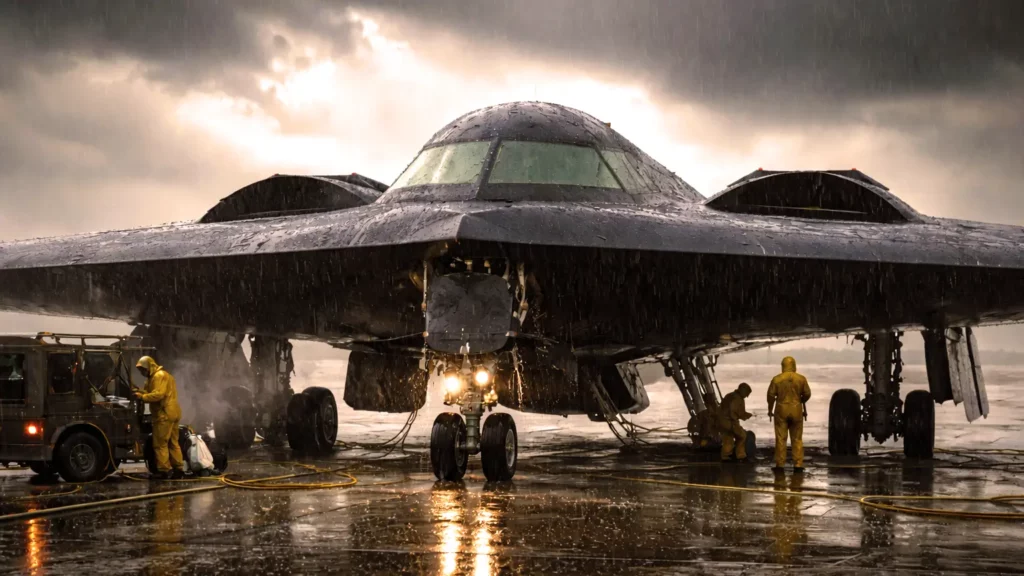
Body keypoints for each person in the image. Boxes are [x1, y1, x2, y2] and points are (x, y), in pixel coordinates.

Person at [134, 356, 185, 479]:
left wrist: (141, 397)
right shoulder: (164, 375)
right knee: (173, 442)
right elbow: (154, 392)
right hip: (173, 412)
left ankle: (164, 470)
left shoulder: (158, 376)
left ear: (150, 367)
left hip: (164, 414)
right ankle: (178, 469)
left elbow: (158, 395)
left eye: (143, 370)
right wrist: (140, 392)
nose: (142, 373)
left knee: (160, 444)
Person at [767, 356, 812, 472]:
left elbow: (771, 396)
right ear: (794, 365)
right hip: (796, 409)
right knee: (797, 438)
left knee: (781, 438)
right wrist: (801, 401)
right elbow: (807, 393)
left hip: (781, 410)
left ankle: (780, 465)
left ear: (782, 366)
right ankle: (798, 464)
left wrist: (770, 409)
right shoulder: (801, 379)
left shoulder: (776, 379)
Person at [718, 382, 753, 461]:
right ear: (743, 390)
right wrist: (744, 416)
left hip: (721, 421)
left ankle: (726, 456)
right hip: (730, 421)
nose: (746, 396)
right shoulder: (738, 398)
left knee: (728, 438)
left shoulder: (729, 395)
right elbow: (733, 411)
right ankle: (740, 456)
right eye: (746, 394)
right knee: (742, 436)